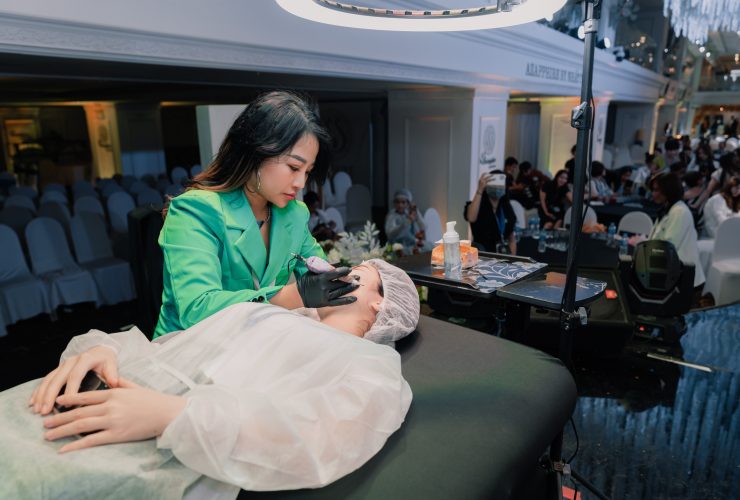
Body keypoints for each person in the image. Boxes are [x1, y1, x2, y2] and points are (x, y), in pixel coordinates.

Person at [4, 259, 420, 497]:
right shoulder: (272, 313)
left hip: (171, 443)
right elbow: (168, 347)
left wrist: (173, 414)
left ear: (380, 304)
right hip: (104, 384)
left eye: (356, 275)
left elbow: (319, 436)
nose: (339, 275)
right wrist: (105, 349)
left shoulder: (369, 364)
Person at [154, 91, 358, 339]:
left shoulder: (294, 214)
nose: (301, 183)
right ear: (256, 153)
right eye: (294, 167)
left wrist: (340, 285)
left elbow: (321, 277)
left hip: (256, 341)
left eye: (307, 171)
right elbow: (197, 309)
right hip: (190, 345)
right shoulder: (195, 211)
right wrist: (294, 295)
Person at [647, 173, 705, 288]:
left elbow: (667, 246)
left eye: (656, 190)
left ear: (668, 190)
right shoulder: (668, 210)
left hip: (683, 280)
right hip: (672, 275)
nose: (653, 194)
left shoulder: (679, 212)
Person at [465, 170, 517, 254]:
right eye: (494, 183)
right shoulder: (478, 206)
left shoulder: (506, 208)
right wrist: (479, 190)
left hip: (502, 256)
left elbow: (512, 240)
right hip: (483, 254)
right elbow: (471, 217)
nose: (497, 187)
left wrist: (513, 259)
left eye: (500, 184)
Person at [384, 188, 430, 254]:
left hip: (411, 243)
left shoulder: (408, 214)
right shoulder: (392, 216)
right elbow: (390, 234)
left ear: (408, 204)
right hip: (396, 245)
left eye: (403, 202)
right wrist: (406, 222)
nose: (400, 205)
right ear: (394, 203)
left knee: (428, 247)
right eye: (398, 202)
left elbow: (423, 227)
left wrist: (417, 213)